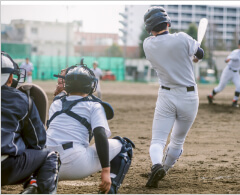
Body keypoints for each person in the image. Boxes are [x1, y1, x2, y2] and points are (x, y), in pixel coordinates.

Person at [47, 62, 135, 194]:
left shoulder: (56, 103)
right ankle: (109, 189)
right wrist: (106, 169)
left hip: (46, 162)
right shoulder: (94, 105)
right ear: (90, 84)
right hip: (74, 162)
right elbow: (100, 134)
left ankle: (46, 185)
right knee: (124, 145)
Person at [143, 6, 204, 188]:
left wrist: (191, 54)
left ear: (150, 29)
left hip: (166, 95)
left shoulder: (147, 44)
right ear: (168, 23)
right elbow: (200, 54)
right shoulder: (183, 38)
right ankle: (165, 169)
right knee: (177, 140)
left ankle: (156, 165)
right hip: (189, 97)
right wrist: (196, 55)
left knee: (158, 140)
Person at [1, 51, 60, 194]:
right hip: (5, 167)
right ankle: (36, 186)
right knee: (50, 155)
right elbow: (38, 142)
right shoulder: (22, 100)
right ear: (9, 78)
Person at [207, 39, 240, 107]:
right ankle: (210, 96)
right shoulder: (235, 52)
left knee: (239, 86)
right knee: (220, 87)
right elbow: (228, 59)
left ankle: (234, 101)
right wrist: (228, 59)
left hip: (236, 73)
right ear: (239, 46)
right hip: (228, 71)